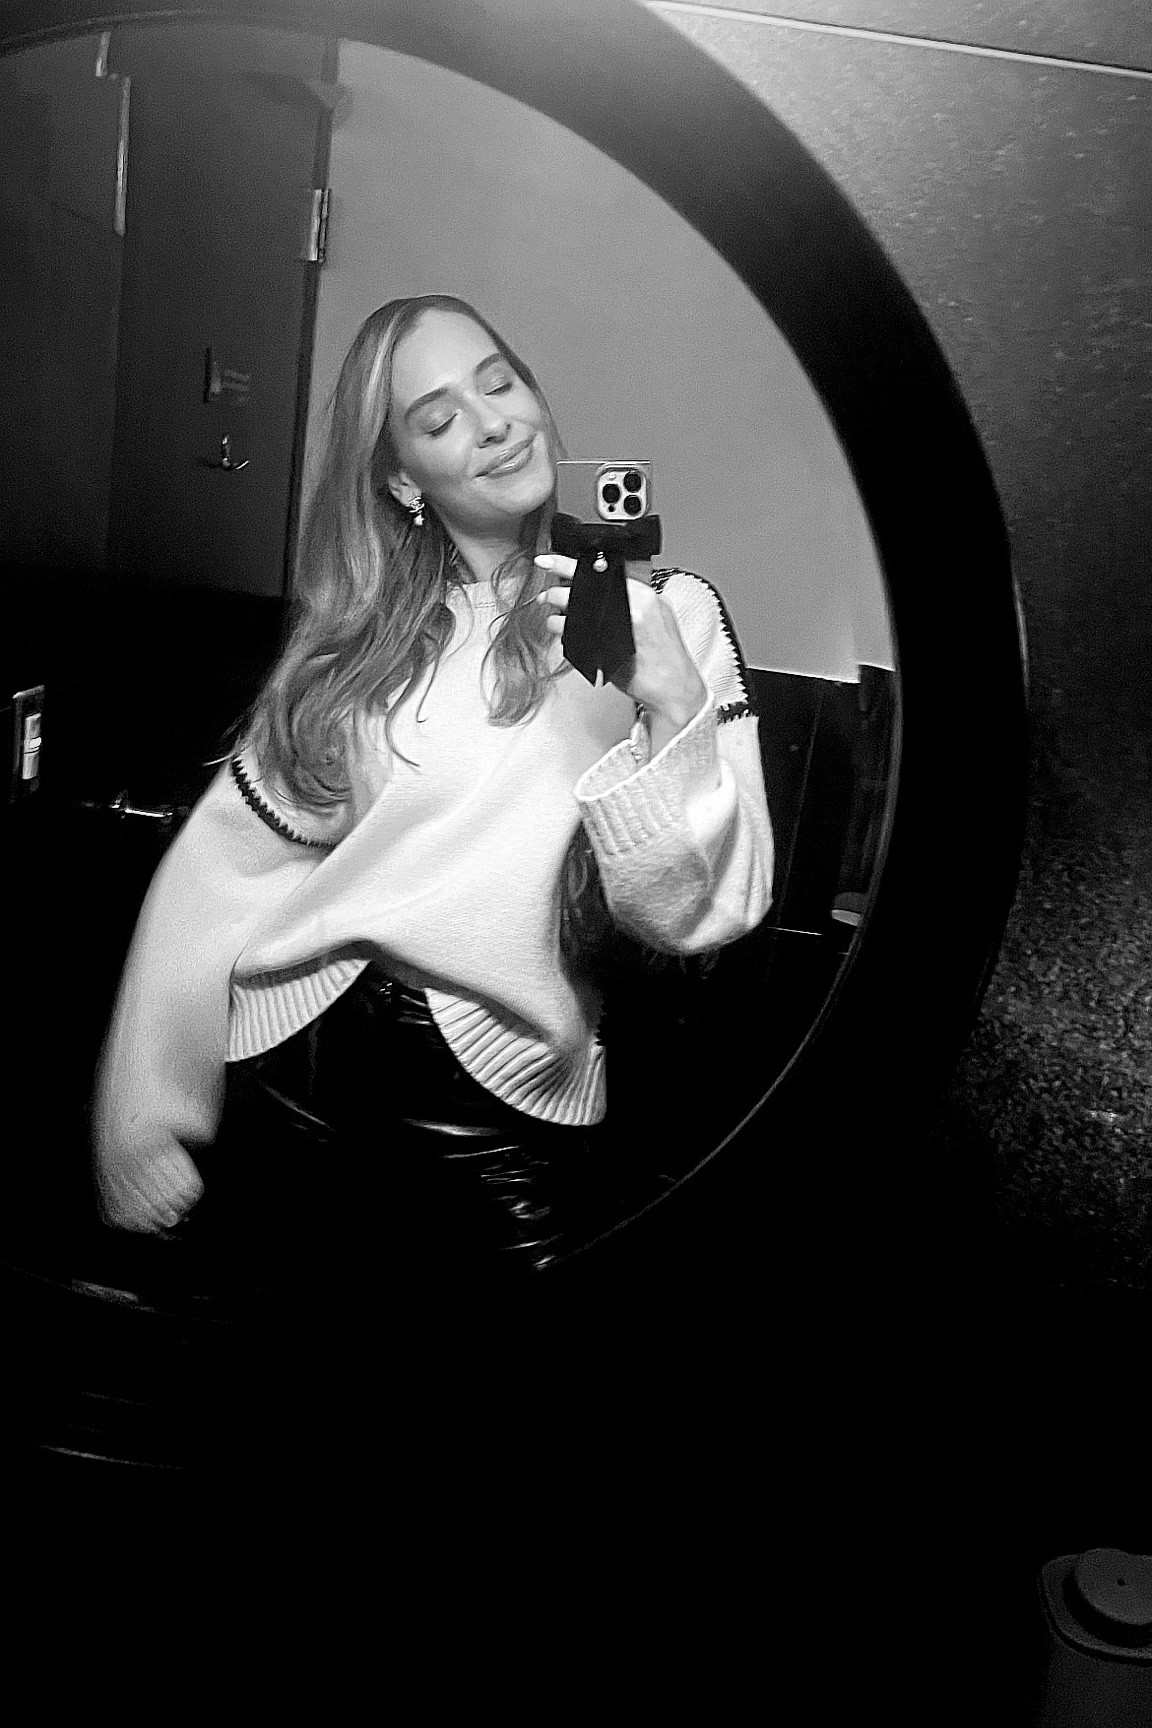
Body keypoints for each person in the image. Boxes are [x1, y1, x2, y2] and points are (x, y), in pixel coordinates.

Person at [91, 293, 774, 1298]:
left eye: (500, 382)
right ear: (403, 477)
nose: (494, 423)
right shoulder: (360, 647)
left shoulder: (674, 615)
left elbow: (695, 917)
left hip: (505, 1115)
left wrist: (671, 702)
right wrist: (142, 1113)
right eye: (441, 416)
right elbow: (218, 873)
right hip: (295, 1075)